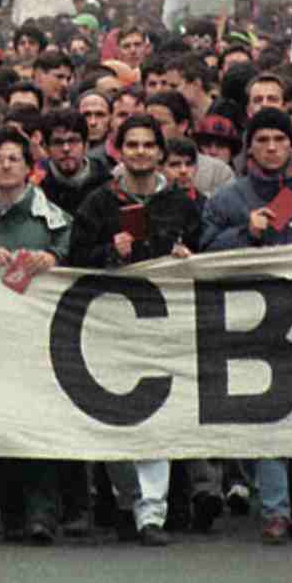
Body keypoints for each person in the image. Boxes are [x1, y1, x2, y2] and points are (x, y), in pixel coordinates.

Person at [202, 107, 292, 543]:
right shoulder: (228, 199)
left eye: (279, 140)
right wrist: (243, 233)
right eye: (263, 140)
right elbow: (205, 248)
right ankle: (275, 510)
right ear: (250, 147)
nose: (271, 148)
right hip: (252, 327)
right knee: (268, 418)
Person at [68, 114, 204, 544]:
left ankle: (153, 513)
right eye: (133, 145)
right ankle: (126, 501)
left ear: (161, 153)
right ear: (119, 151)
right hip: (112, 327)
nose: (141, 152)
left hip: (166, 328)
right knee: (115, 421)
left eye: (149, 145)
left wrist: (189, 258)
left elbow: (210, 252)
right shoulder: (97, 204)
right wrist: (109, 251)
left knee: (157, 421)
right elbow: (75, 260)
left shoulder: (183, 204)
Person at [0, 127, 75, 543]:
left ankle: (44, 513)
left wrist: (53, 257)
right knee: (0, 424)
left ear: (29, 168)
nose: (5, 166)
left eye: (14, 159)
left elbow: (76, 251)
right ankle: (12, 513)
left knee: (37, 425)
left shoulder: (51, 217)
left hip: (38, 340)